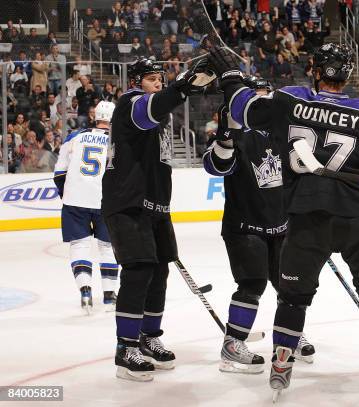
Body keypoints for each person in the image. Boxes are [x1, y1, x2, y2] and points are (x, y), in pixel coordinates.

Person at [207, 43, 359, 401]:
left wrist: (230, 78)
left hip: (307, 215)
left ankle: (283, 360)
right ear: (347, 76)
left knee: (292, 297)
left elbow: (246, 108)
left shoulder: (291, 101)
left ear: (315, 70)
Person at [101, 57, 211, 382]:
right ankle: (126, 347)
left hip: (155, 206)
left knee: (160, 270)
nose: (157, 83)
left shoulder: (159, 115)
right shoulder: (131, 104)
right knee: (138, 271)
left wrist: (178, 89)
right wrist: (182, 87)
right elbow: (151, 107)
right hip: (128, 203)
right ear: (136, 81)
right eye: (151, 79)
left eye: (160, 78)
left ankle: (149, 336)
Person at [203, 77, 315, 374]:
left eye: (267, 95)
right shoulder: (236, 133)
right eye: (258, 96)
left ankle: (288, 336)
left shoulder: (283, 133)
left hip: (280, 224)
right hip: (245, 226)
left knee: (290, 286)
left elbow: (302, 172)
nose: (265, 102)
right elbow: (216, 165)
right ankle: (232, 345)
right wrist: (225, 136)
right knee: (252, 284)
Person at [53, 101, 118, 314]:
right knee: (107, 247)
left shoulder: (74, 137)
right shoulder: (116, 141)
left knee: (80, 245)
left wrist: (67, 195)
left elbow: (59, 173)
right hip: (105, 201)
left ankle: (86, 291)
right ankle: (109, 296)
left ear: (95, 116)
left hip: (75, 200)